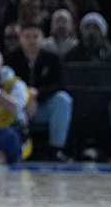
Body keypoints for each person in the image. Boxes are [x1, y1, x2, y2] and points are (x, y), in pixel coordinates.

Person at [6, 22, 73, 161]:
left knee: (63, 99)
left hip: (42, 107)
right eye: (27, 37)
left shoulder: (52, 59)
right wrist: (26, 96)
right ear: (20, 39)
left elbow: (61, 85)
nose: (31, 40)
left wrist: (37, 94)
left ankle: (56, 149)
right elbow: (6, 84)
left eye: (35, 36)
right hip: (18, 109)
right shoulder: (10, 58)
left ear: (43, 39)